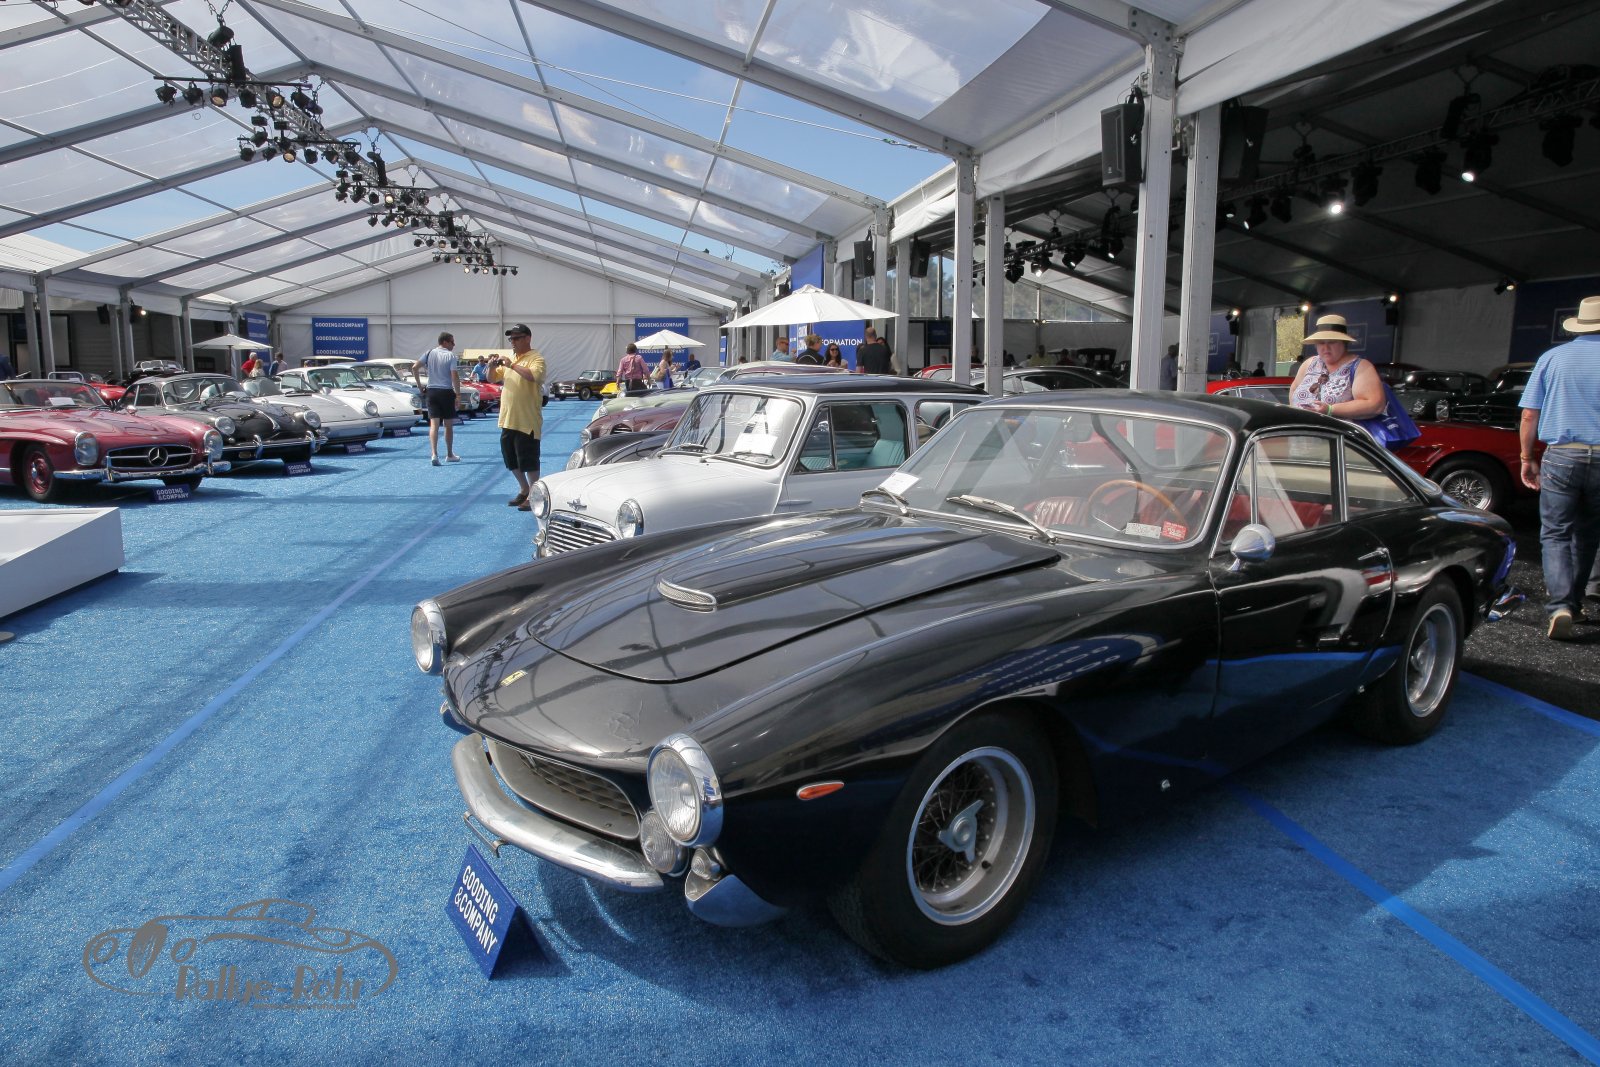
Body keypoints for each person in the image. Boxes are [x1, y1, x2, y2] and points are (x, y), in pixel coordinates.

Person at [1518, 294, 1600, 640]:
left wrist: (1526, 458)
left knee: (1555, 533)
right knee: (1588, 535)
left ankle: (1560, 607)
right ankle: (1575, 604)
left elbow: (1529, 414)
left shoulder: (1552, 358)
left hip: (1562, 455)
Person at [1289, 315, 1385, 426]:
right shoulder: (1309, 363)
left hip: (1339, 434)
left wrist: (1331, 410)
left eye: (1332, 342)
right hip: (1300, 433)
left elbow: (1375, 404)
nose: (1326, 348)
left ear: (1344, 343)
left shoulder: (1360, 367)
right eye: (1321, 343)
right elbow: (1294, 389)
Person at [490, 324, 547, 511]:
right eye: (511, 339)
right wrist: (491, 367)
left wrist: (512, 365)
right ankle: (524, 489)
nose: (512, 342)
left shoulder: (536, 358)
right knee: (510, 457)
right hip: (508, 418)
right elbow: (491, 378)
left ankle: (534, 493)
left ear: (527, 338)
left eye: (516, 338)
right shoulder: (511, 358)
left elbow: (533, 376)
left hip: (527, 419)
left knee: (528, 458)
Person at [413, 331, 461, 465]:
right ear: (445, 342)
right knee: (448, 425)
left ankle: (434, 454)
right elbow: (454, 376)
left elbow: (415, 367)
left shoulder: (429, 353)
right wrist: (458, 394)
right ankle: (449, 454)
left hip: (432, 391)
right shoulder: (451, 355)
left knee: (434, 425)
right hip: (446, 391)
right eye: (452, 342)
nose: (454, 345)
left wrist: (420, 386)